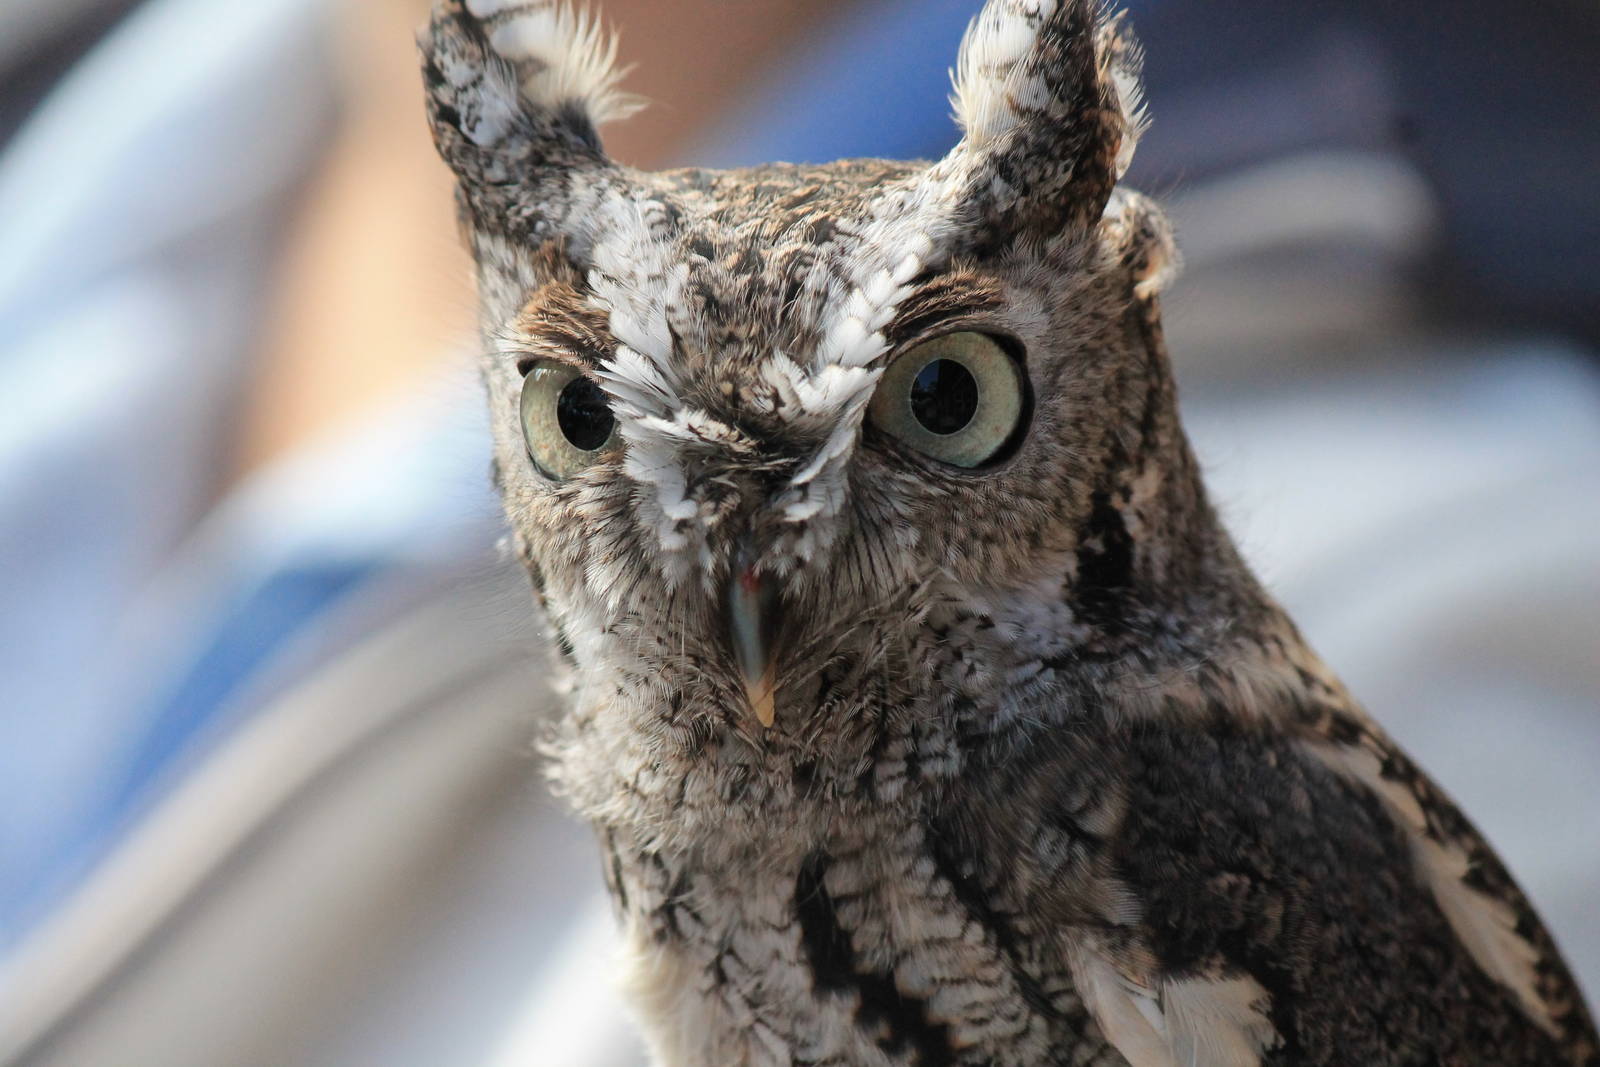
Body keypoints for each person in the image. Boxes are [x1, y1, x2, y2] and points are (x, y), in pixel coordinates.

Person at [1, 0, 1596, 1063]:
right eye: (582, 429)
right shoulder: (91, 123)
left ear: (1111, 385)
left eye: (948, 407)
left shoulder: (1391, 690)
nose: (753, 598)